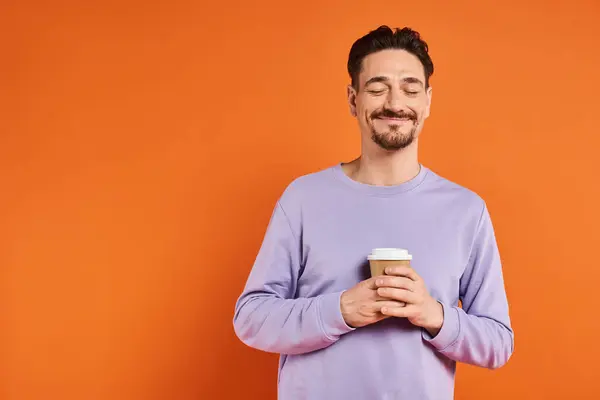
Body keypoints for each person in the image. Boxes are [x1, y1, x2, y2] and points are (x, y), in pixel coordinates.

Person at [233, 25, 514, 400]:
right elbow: (250, 319)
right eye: (378, 88)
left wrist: (433, 314)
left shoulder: (466, 210)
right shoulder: (303, 198)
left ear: (427, 101)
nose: (395, 103)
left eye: (410, 89)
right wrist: (341, 310)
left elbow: (498, 343)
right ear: (353, 100)